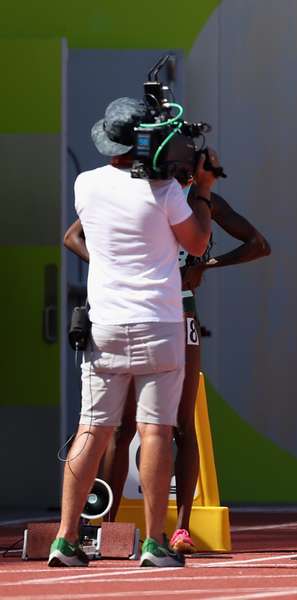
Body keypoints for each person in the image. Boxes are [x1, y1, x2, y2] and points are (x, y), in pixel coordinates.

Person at [49, 96, 216, 568]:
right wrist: (200, 187)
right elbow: (198, 242)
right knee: (155, 431)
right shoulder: (165, 192)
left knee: (92, 429)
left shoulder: (86, 184)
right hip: (159, 322)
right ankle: (154, 540)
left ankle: (66, 537)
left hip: (104, 321)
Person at [64, 188, 271, 554]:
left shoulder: (198, 198)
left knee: (179, 423)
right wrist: (110, 266)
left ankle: (181, 529)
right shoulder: (130, 189)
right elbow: (72, 237)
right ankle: (108, 530)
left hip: (179, 312)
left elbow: (258, 244)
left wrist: (204, 266)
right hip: (129, 312)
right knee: (119, 427)